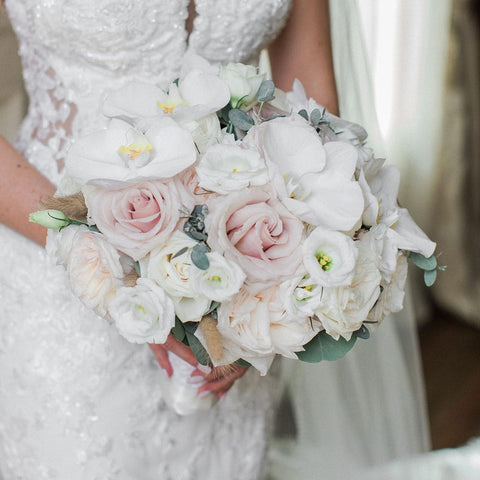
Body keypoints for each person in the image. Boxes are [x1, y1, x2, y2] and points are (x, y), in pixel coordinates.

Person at [0, 1, 428, 479]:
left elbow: (309, 91)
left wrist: (271, 299)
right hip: (54, 267)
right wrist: (112, 266)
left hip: (238, 277)